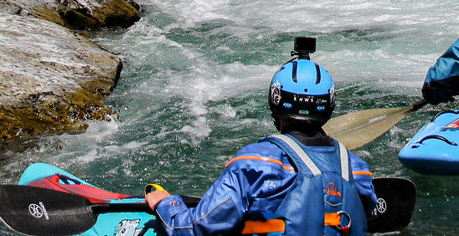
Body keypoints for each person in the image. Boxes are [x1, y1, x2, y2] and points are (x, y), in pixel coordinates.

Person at [145, 38, 375, 236]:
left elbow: (195, 228)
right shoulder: (356, 169)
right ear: (329, 105)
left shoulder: (256, 163)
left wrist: (166, 204)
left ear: (275, 100)